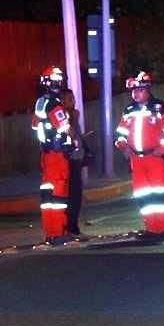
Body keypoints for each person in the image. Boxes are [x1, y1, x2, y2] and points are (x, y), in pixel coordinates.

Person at [115, 70, 164, 240]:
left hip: (155, 158)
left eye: (139, 90)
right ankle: (151, 229)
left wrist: (162, 150)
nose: (136, 93)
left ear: (148, 89)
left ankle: (163, 230)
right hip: (136, 160)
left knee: (159, 193)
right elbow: (120, 132)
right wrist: (123, 147)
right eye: (133, 91)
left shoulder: (161, 108)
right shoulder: (128, 110)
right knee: (143, 195)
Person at [31, 65, 74, 245]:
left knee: (48, 196)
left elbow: (34, 126)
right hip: (57, 156)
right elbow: (65, 128)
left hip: (46, 155)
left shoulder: (40, 102)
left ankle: (50, 233)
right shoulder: (55, 104)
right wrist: (75, 141)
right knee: (58, 194)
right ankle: (59, 232)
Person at [60, 88, 94, 237]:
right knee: (72, 195)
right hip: (69, 160)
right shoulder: (64, 116)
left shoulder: (73, 114)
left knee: (76, 195)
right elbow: (70, 134)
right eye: (69, 99)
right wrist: (73, 118)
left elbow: (76, 137)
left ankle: (72, 225)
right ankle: (70, 226)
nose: (73, 102)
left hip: (76, 159)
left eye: (73, 98)